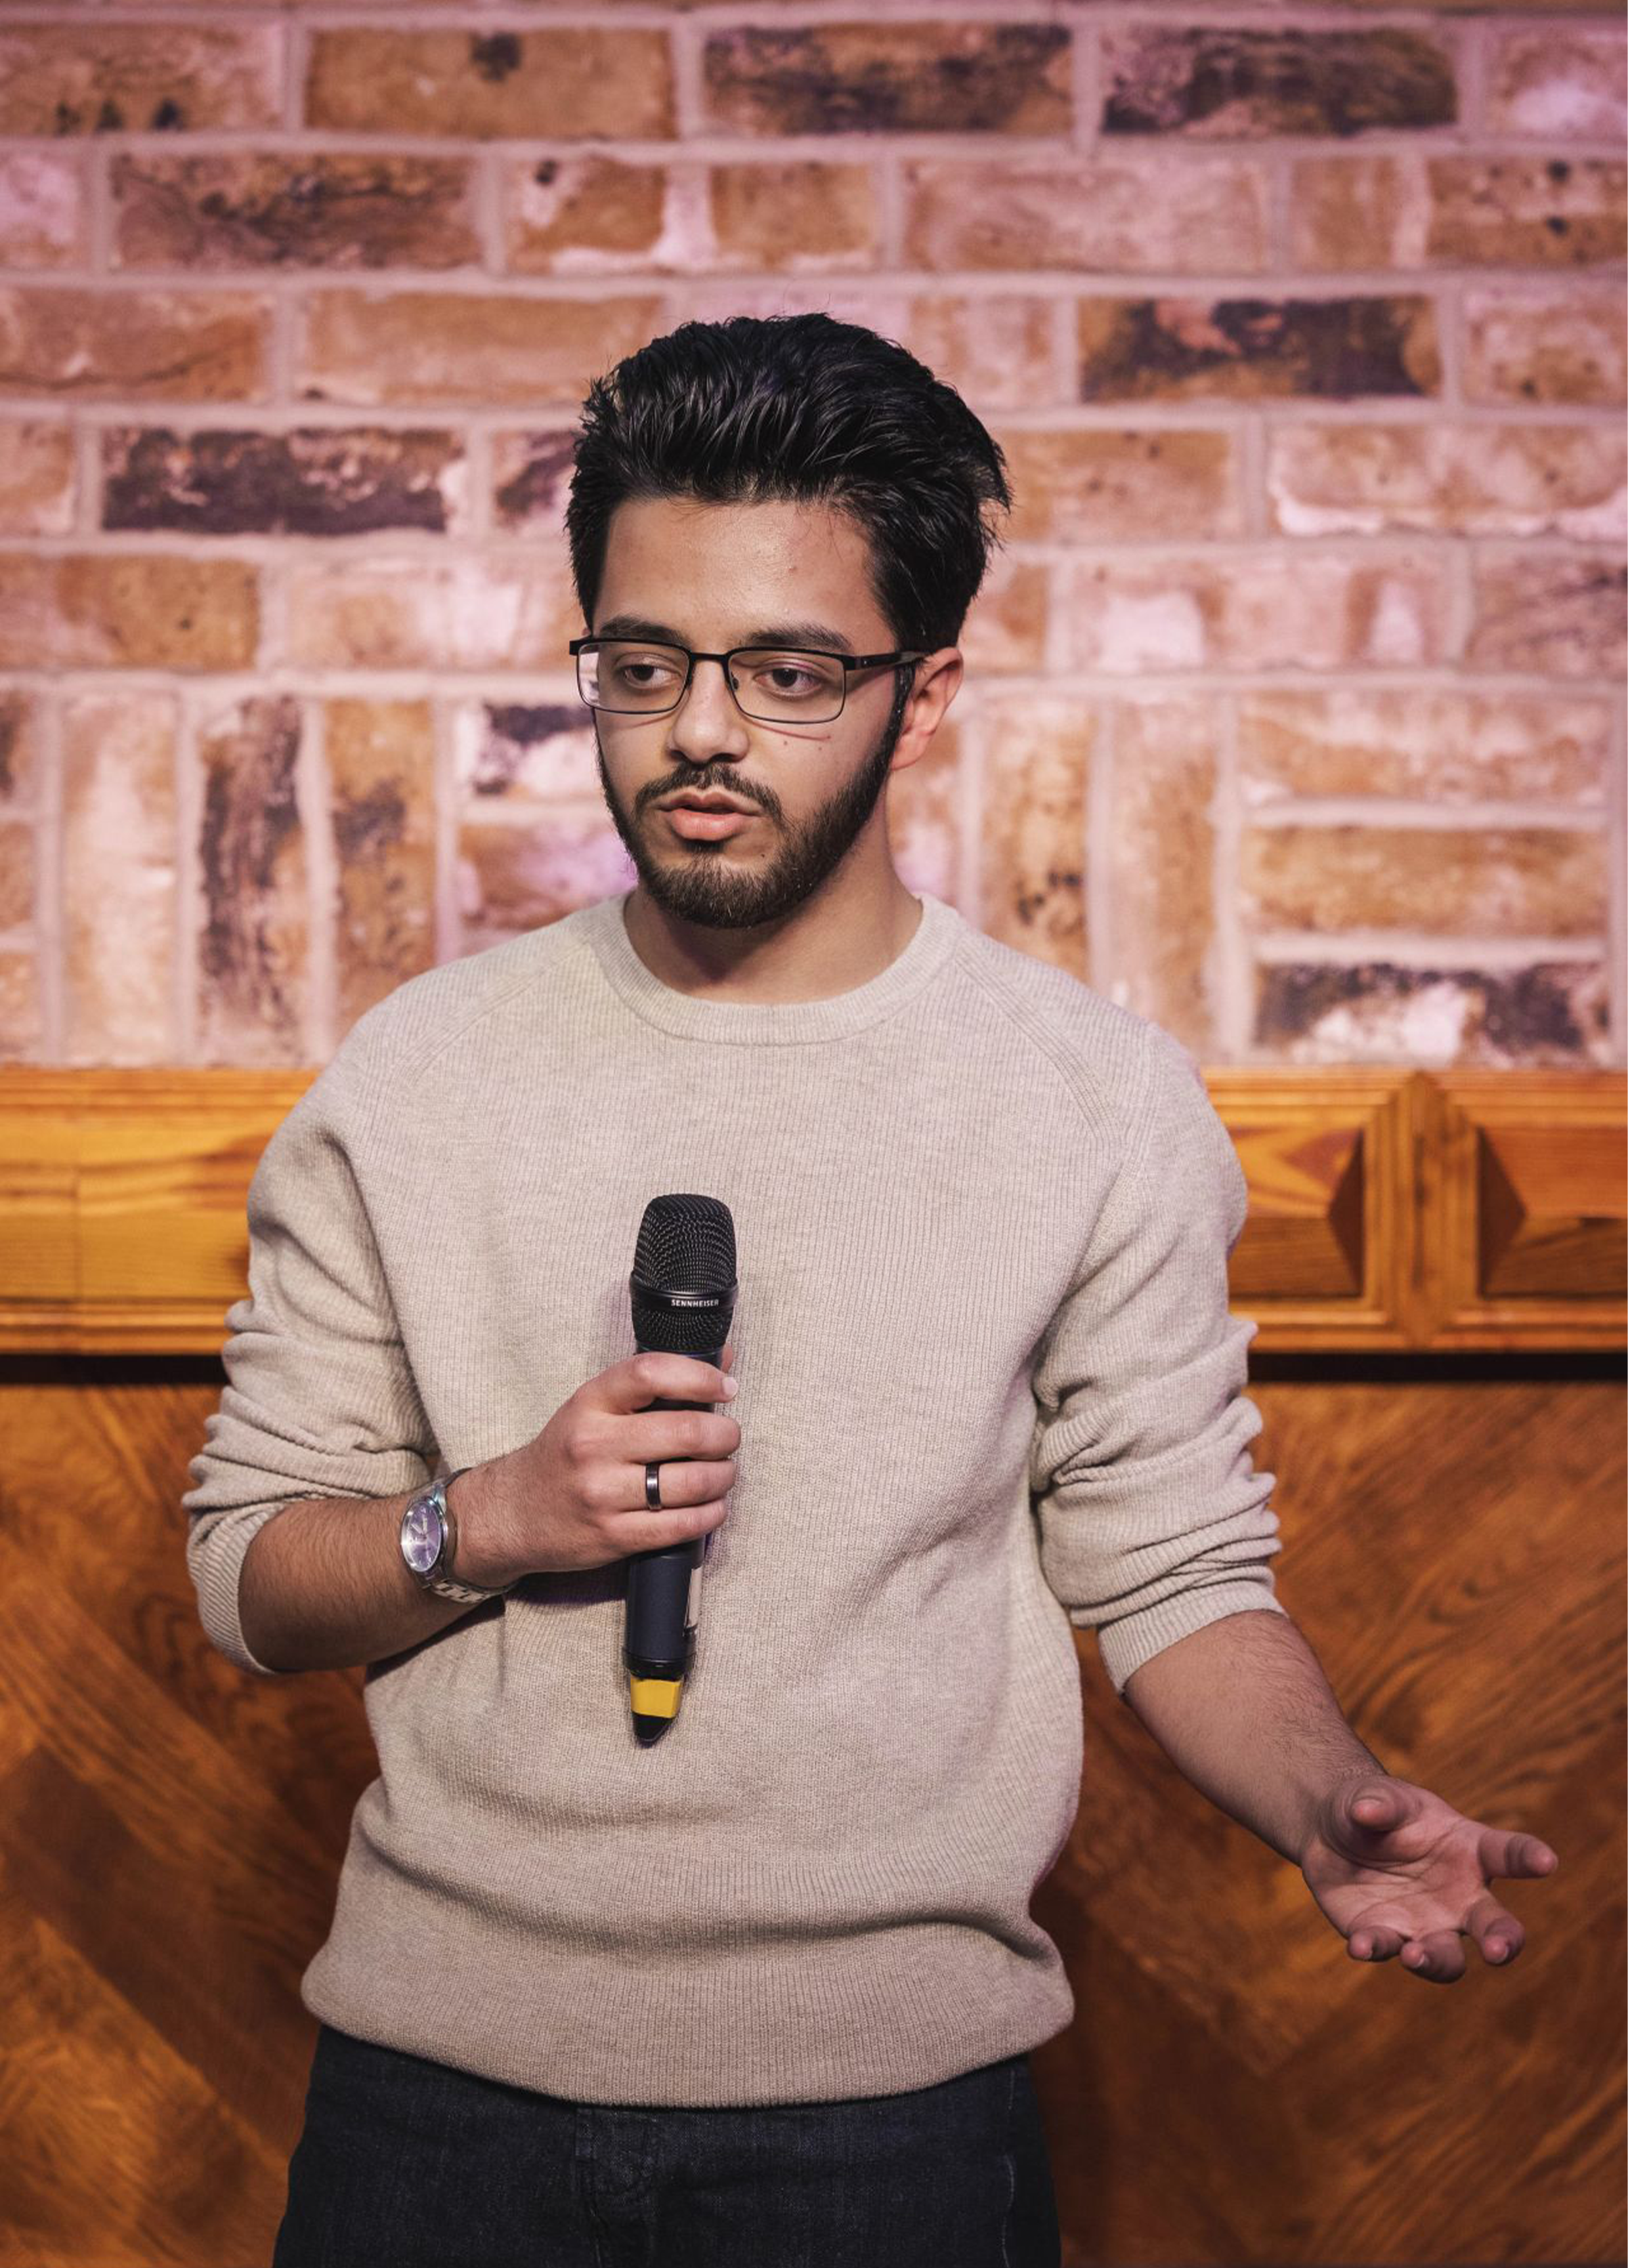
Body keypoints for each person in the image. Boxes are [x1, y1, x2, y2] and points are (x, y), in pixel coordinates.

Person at [184, 312, 1559, 2268]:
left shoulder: (1092, 1099)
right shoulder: (415, 1076)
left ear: (923, 698)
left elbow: (1173, 1569)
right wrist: (487, 1517)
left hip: (894, 2136)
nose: (704, 732)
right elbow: (243, 1577)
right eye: (644, 664)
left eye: (792, 670)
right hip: (437, 2108)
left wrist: (1329, 1797)